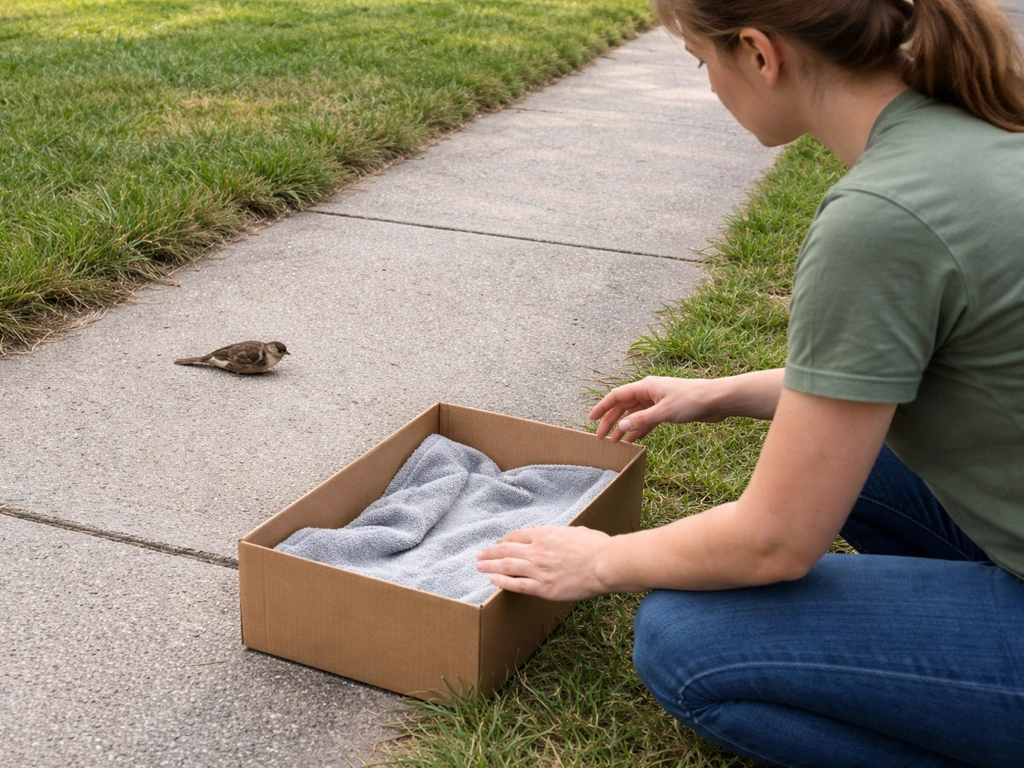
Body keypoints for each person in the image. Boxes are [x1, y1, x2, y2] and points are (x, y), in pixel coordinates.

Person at [475, 0, 1024, 765]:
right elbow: (901, 369)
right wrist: (722, 392)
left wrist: (598, 561)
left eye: (704, 62)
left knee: (687, 640)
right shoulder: (981, 135)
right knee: (856, 468)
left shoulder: (882, 217)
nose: (709, 86)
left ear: (761, 54)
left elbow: (773, 545)